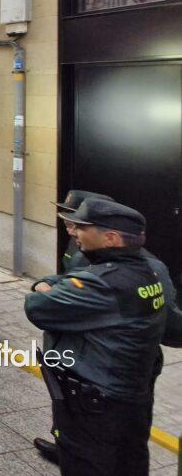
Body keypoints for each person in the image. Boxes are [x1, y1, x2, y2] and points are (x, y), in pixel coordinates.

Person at [25, 198, 180, 476]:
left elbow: (37, 308)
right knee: (128, 461)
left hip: (96, 404)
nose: (75, 232)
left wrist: (43, 288)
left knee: (88, 464)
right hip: (130, 395)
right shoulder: (149, 271)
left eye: (83, 227)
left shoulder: (106, 282)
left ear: (110, 237)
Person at [30, 188, 113, 464]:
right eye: (65, 219)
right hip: (65, 342)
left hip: (88, 352)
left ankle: (77, 452)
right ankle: (62, 442)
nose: (67, 227)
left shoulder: (103, 258)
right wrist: (48, 283)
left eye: (72, 221)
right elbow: (67, 277)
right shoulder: (77, 243)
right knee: (63, 400)